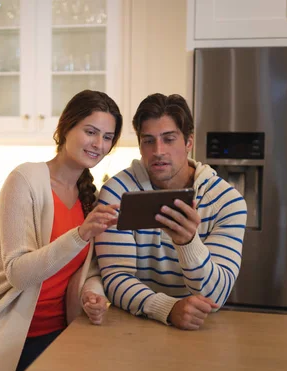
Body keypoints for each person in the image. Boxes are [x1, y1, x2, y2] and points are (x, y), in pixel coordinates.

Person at [0, 90, 123, 371]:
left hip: (57, 337)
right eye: (90, 131)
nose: (99, 144)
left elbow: (89, 269)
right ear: (65, 127)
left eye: (107, 137)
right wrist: (80, 234)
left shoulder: (88, 198)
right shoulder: (24, 180)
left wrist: (92, 294)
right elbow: (19, 272)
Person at [96, 93, 247, 330]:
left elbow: (217, 296)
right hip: (131, 326)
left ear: (188, 142)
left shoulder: (227, 202)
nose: (158, 150)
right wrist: (167, 309)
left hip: (200, 327)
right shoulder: (118, 193)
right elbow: (116, 278)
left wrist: (188, 243)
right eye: (148, 140)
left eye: (169, 139)